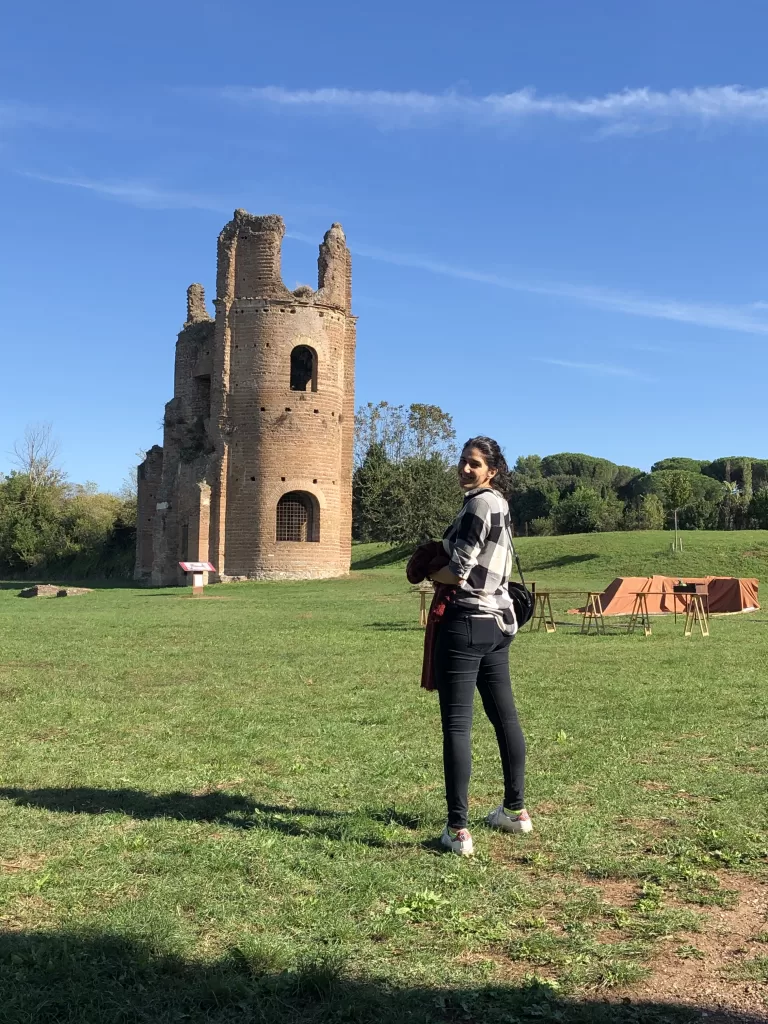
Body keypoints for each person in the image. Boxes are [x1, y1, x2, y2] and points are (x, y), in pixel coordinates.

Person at [428, 436, 531, 856]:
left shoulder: (478, 504)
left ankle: (457, 829)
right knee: (505, 718)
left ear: (492, 470)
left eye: (474, 463)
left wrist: (424, 571)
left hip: (466, 622)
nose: (465, 469)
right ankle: (515, 810)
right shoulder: (501, 505)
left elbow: (459, 569)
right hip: (496, 625)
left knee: (457, 724)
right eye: (463, 461)